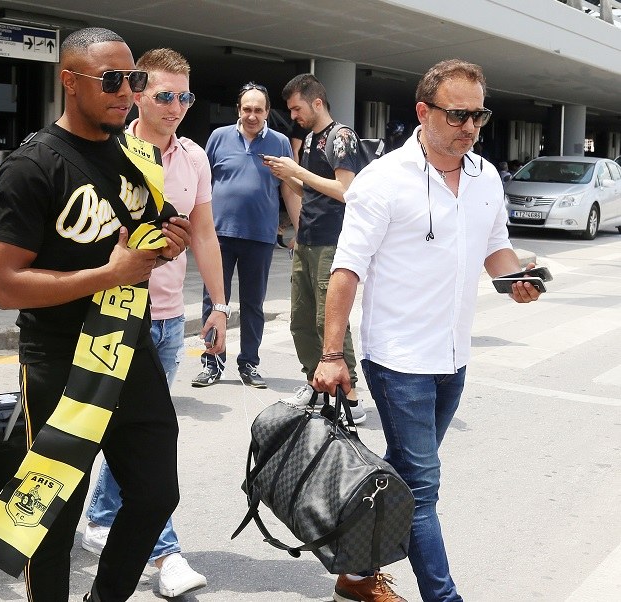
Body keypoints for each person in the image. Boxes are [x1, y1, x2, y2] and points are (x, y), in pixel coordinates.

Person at [314, 59, 541, 602]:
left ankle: (354, 574)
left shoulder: (486, 177)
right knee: (421, 487)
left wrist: (515, 280)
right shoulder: (383, 179)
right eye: (458, 115)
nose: (471, 127)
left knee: (400, 476)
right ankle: (444, 596)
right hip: (399, 360)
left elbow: (495, 248)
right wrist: (331, 354)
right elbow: (346, 269)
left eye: (479, 115)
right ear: (423, 112)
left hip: (453, 357)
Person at [0, 27, 191, 601]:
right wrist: (109, 274)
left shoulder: (134, 156)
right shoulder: (31, 166)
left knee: (156, 493)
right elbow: (5, 286)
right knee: (52, 517)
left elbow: (144, 234)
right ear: (70, 82)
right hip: (59, 360)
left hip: (127, 347)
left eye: (134, 80)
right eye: (112, 80)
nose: (127, 91)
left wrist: (166, 243)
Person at [79, 47, 224, 598]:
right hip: (116, 317)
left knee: (132, 436)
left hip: (168, 321)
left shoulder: (194, 158)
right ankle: (165, 553)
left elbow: (204, 233)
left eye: (185, 97)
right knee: (148, 449)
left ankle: (100, 517)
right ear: (137, 93)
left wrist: (218, 305)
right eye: (164, 95)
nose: (176, 107)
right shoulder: (113, 151)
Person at [262, 74, 366, 422]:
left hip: (332, 243)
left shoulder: (341, 136)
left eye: (297, 109)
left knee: (328, 320)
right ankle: (316, 384)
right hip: (306, 240)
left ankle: (350, 397)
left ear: (317, 103)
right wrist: (287, 175)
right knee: (301, 320)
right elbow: (312, 191)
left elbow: (345, 190)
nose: (294, 116)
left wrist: (297, 171)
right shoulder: (309, 140)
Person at [192, 82, 294, 389]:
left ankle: (249, 363)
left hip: (260, 236)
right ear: (238, 109)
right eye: (247, 109)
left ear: (267, 112)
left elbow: (289, 188)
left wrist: (298, 229)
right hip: (219, 235)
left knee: (253, 304)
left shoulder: (280, 143)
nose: (252, 115)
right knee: (214, 301)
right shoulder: (219, 137)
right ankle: (212, 362)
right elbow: (202, 183)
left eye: (258, 110)